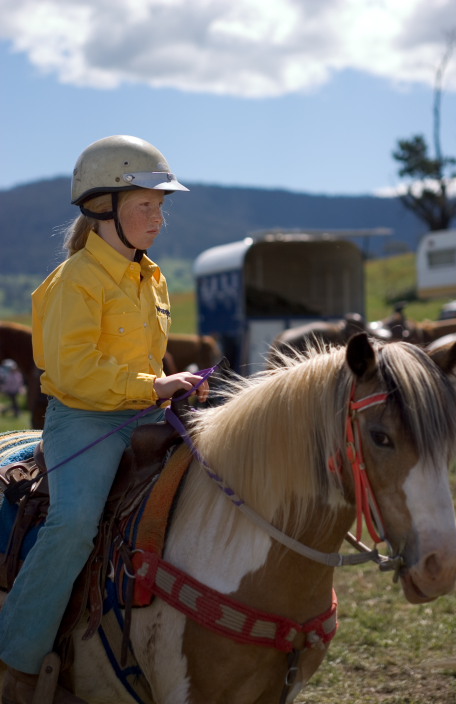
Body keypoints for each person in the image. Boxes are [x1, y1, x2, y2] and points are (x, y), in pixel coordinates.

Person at [0, 135, 208, 704]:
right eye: (147, 205)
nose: (159, 218)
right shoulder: (74, 281)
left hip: (149, 412)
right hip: (86, 418)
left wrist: (176, 387)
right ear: (103, 208)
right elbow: (75, 371)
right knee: (72, 527)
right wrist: (153, 385)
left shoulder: (154, 277)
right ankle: (14, 666)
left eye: (162, 207)